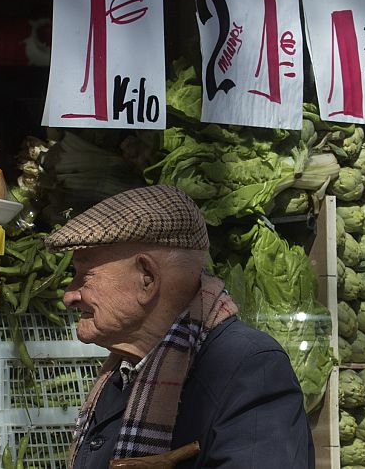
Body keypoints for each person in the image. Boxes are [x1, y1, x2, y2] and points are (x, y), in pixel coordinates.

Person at [46, 185, 313, 469]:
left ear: (147, 278)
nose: (69, 295)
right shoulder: (123, 371)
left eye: (85, 277)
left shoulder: (249, 368)